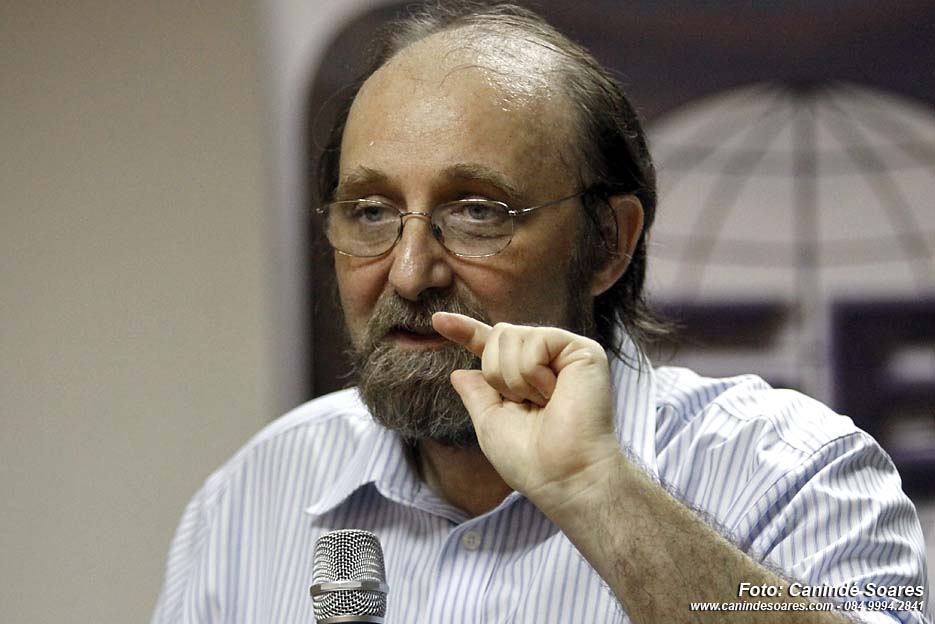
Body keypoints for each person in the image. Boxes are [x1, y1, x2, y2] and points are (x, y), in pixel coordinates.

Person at [152, 3, 931, 623]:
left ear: (606, 244)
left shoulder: (793, 473)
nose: (410, 272)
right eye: (370, 212)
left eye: (476, 212)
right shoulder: (255, 492)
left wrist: (598, 493)